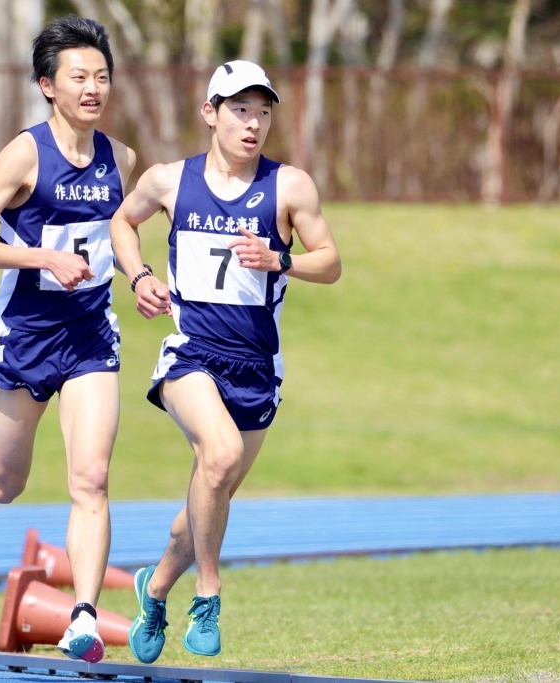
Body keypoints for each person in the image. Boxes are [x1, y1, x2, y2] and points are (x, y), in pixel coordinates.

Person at [109, 60, 341, 662]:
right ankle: (208, 592)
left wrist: (281, 262)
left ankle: (155, 587)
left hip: (258, 366)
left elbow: (331, 262)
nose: (254, 123)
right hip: (192, 354)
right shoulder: (167, 181)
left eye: (264, 111)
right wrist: (138, 277)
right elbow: (120, 222)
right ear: (210, 113)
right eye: (240, 109)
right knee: (221, 455)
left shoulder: (290, 186)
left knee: (212, 491)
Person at [0, 15, 135, 664]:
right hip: (25, 336)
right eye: (79, 77)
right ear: (47, 85)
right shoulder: (25, 154)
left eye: (102, 76)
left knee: (93, 476)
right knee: (8, 483)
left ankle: (82, 613)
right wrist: (41, 259)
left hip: (88, 336)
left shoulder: (121, 159)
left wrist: (138, 276)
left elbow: (121, 233)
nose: (93, 88)